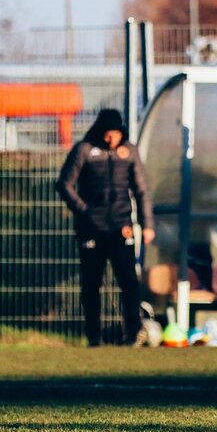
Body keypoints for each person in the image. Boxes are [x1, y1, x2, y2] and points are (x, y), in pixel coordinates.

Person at [56, 109, 154, 346]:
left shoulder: (129, 152)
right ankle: (94, 337)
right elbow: (64, 184)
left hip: (121, 226)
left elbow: (141, 189)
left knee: (129, 281)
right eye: (108, 135)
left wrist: (147, 224)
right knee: (91, 284)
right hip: (91, 228)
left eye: (116, 135)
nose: (112, 140)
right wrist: (84, 211)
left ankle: (134, 333)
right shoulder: (84, 150)